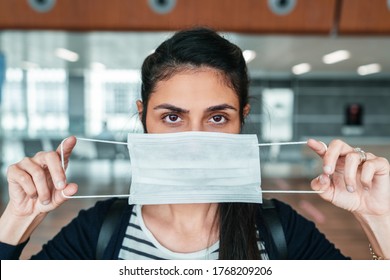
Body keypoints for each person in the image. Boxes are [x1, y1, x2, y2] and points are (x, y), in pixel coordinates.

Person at [0, 27, 389, 260]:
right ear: (143, 117)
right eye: (172, 117)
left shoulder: (281, 231)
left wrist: (378, 217)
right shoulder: (98, 230)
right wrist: (17, 220)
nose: (194, 139)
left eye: (217, 117)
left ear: (242, 119)